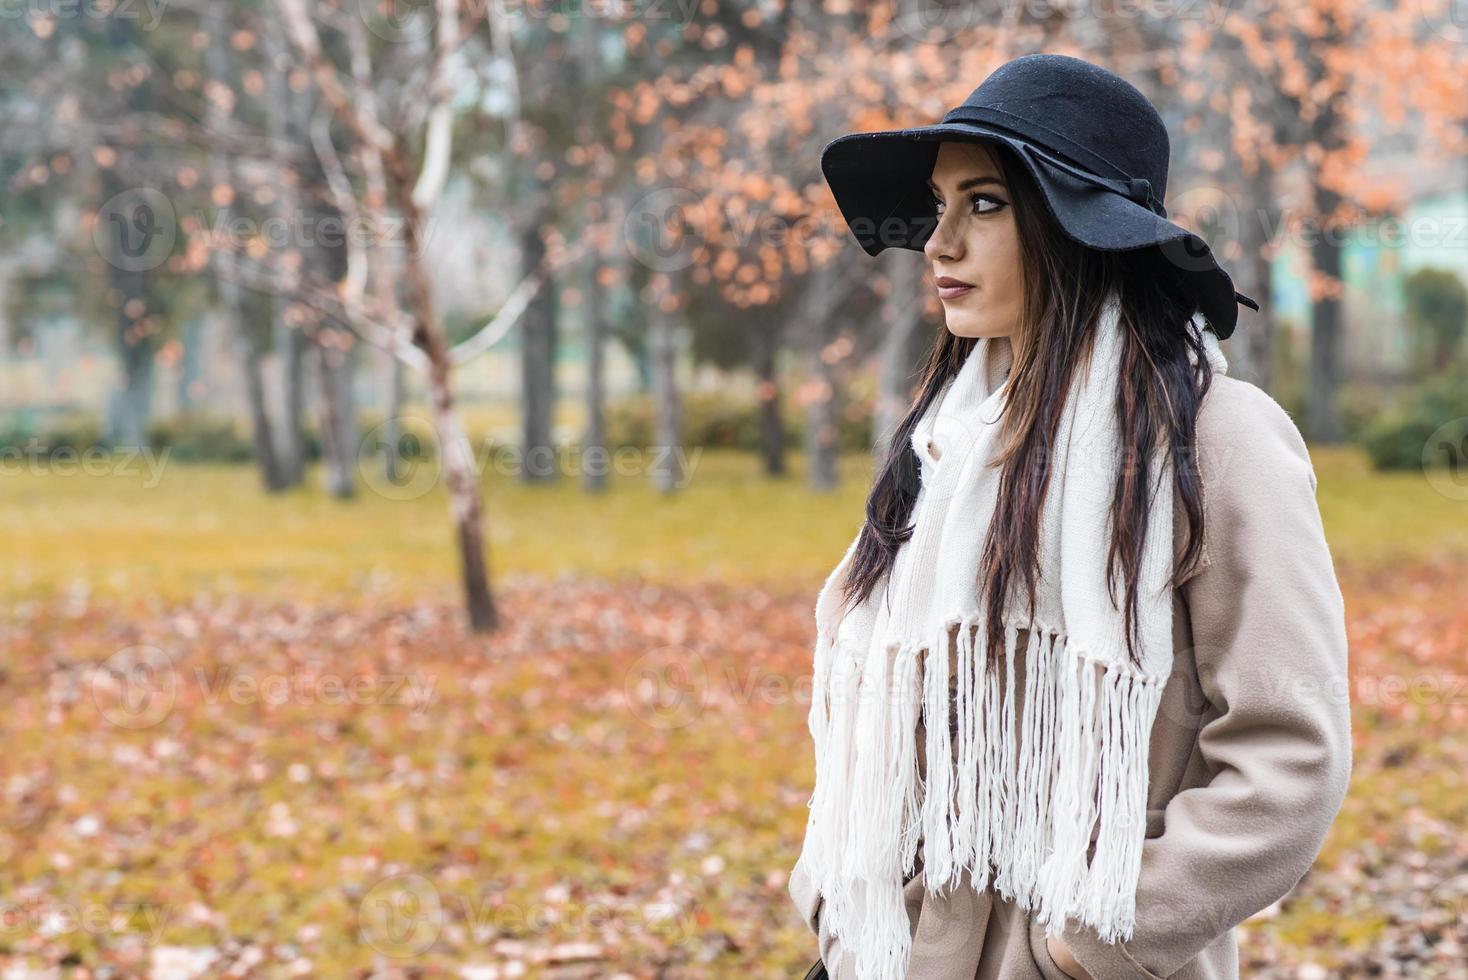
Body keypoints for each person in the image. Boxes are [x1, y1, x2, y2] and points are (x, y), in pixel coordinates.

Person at [787, 53, 1353, 980]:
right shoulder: (948, 442)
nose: (938, 244)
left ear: (1078, 227)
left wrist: (1090, 946)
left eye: (984, 203)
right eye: (939, 206)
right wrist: (836, 899)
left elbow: (1288, 751)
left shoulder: (1216, 439)